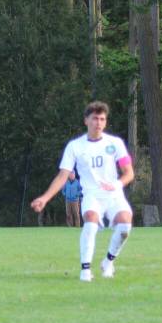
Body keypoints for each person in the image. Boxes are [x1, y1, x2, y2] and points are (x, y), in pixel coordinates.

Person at [31, 102, 134, 282]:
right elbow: (63, 176)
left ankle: (108, 262)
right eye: (94, 119)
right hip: (92, 195)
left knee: (125, 225)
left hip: (114, 195)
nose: (98, 123)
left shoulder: (115, 143)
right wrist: (45, 198)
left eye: (102, 119)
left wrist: (117, 185)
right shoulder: (75, 146)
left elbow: (129, 173)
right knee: (91, 223)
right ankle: (85, 271)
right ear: (86, 120)